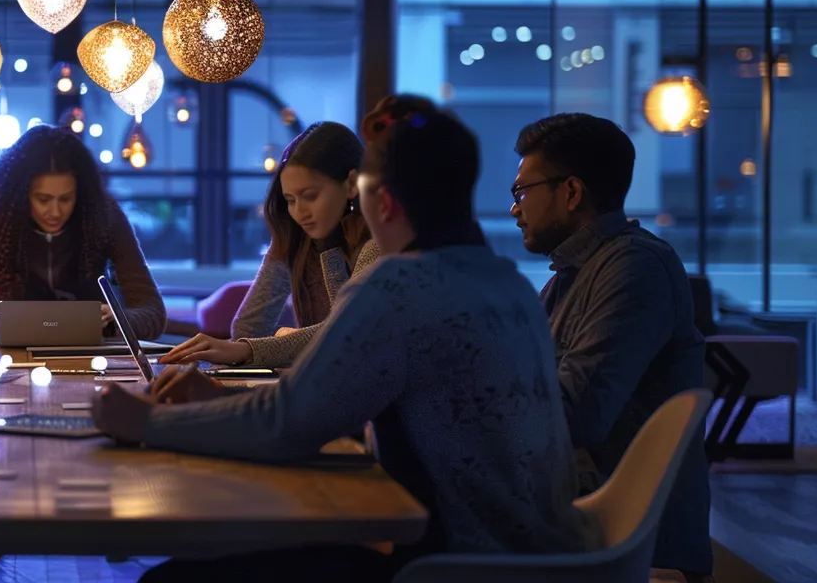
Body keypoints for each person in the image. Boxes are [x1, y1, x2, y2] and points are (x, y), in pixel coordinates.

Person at [94, 97, 589, 582]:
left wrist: (147, 420)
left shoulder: (399, 286)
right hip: (545, 558)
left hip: (453, 565)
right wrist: (212, 403)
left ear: (380, 200)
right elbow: (314, 407)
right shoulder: (510, 285)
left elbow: (287, 423)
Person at [510, 113, 711, 581]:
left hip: (626, 540)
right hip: (571, 510)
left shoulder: (636, 267)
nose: (516, 208)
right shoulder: (568, 277)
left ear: (572, 192)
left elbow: (575, 414)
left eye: (522, 192)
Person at [160, 121, 382, 367]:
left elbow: (345, 333)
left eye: (310, 196)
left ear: (351, 185)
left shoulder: (380, 245)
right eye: (290, 200)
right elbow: (248, 327)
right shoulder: (298, 238)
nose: (299, 212)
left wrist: (250, 349)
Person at [0, 125, 165, 341]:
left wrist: (122, 320)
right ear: (22, 196)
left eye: (65, 199)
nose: (54, 212)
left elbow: (153, 312)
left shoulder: (103, 216)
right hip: (19, 357)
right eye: (43, 200)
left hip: (95, 356)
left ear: (80, 195)